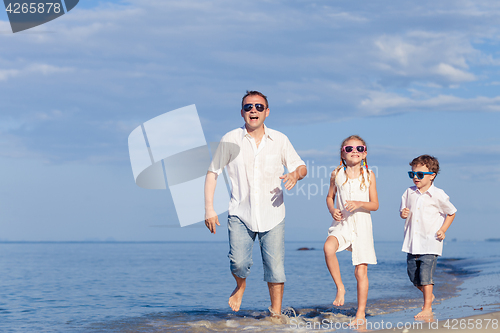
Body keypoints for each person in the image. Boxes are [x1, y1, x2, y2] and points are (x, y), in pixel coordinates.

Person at [204, 90, 307, 317]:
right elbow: (213, 173)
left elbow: (301, 167)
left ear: (267, 112)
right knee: (239, 263)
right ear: (242, 112)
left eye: (259, 107)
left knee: (275, 270)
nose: (254, 110)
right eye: (249, 107)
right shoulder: (230, 139)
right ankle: (241, 286)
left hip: (273, 214)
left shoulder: (280, 140)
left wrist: (295, 175)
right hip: (240, 213)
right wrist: (209, 209)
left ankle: (276, 315)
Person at [323, 135, 378, 326]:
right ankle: (340, 287)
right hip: (343, 224)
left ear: (365, 154)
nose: (354, 151)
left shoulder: (369, 175)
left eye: (359, 148)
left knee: (360, 272)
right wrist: (332, 210)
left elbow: (375, 204)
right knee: (328, 248)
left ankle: (360, 313)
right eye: (349, 149)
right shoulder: (336, 174)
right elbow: (330, 197)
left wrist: (360, 203)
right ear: (342, 153)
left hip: (362, 225)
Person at [400, 155, 457, 318]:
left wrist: (443, 229)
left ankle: (427, 308)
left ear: (432, 175)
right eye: (412, 174)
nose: (415, 178)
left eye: (419, 174)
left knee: (426, 276)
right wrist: (403, 213)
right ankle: (428, 296)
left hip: (430, 243)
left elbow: (451, 212)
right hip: (411, 243)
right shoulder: (408, 192)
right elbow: (403, 211)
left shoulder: (438, 194)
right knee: (413, 277)